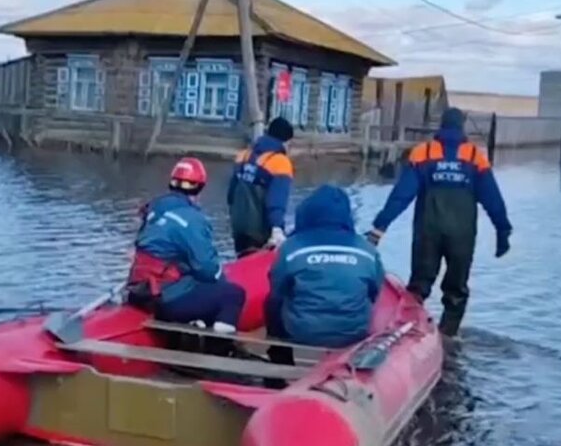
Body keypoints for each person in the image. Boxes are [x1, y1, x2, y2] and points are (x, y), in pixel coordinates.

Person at [365, 107, 512, 337]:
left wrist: (379, 226)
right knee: (456, 290)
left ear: (441, 127)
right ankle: (448, 339)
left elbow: (401, 195)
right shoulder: (475, 157)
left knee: (419, 286)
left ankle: (411, 335)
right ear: (461, 127)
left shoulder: (423, 153)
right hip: (462, 236)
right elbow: (493, 200)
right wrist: (502, 231)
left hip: (427, 232)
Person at [265, 184, 385, 371]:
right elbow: (375, 292)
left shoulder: (291, 248)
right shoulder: (368, 251)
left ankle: (279, 354)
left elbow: (276, 290)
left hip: (302, 331)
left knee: (272, 303)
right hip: (353, 331)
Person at [126, 157, 246, 337]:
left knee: (188, 278)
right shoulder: (191, 219)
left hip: (139, 292)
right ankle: (219, 348)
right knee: (233, 295)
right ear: (200, 187)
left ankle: (191, 329)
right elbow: (207, 269)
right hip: (163, 299)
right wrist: (221, 282)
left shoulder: (154, 209)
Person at [227, 117, 295, 256]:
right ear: (286, 141)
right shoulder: (280, 162)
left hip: (238, 228)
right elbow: (277, 201)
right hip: (260, 232)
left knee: (241, 268)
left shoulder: (243, 156)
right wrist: (277, 229)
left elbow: (230, 195)